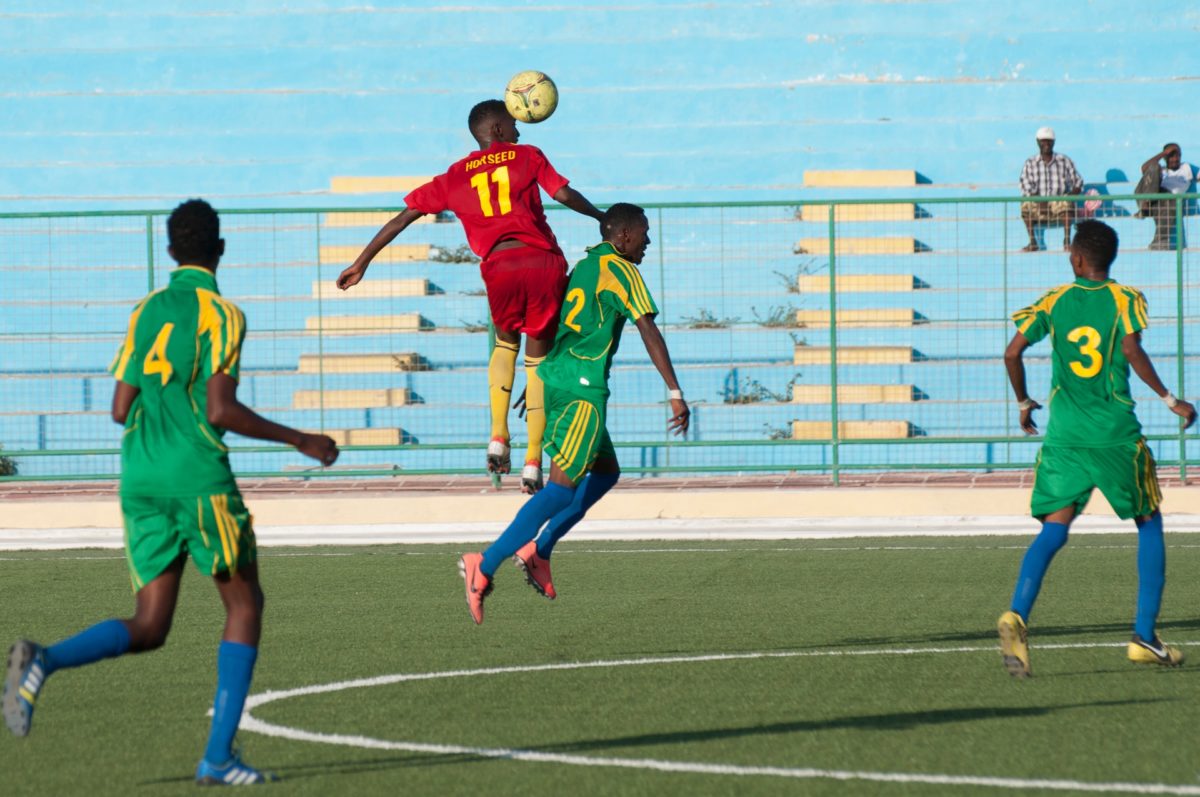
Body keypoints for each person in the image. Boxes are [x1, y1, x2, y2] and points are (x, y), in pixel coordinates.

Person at [2, 200, 339, 784]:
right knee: (244, 605)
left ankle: (45, 659)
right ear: (221, 249)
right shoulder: (222, 313)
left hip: (140, 477)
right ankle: (218, 758)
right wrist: (302, 438)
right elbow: (220, 408)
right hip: (195, 478)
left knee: (151, 625)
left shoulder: (147, 309)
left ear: (169, 250)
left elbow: (118, 407)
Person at [335, 99, 604, 493]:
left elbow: (402, 217)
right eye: (513, 123)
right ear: (496, 130)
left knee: (505, 344)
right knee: (539, 360)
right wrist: (600, 216)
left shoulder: (455, 175)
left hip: (498, 267)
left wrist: (362, 262)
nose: (519, 130)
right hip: (541, 261)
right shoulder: (527, 156)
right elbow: (562, 194)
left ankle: (498, 435)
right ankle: (533, 460)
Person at [457, 203, 690, 624]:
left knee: (605, 473)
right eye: (643, 233)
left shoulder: (583, 267)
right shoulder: (622, 271)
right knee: (562, 488)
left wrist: (539, 381)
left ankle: (538, 552)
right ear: (622, 236)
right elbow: (647, 328)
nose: (648, 241)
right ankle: (484, 564)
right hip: (583, 390)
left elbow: (560, 326)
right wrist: (674, 391)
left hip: (560, 378)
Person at [997, 219, 1195, 678]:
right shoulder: (1125, 299)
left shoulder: (1055, 300)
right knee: (1148, 521)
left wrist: (1025, 402)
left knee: (1055, 529)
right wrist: (1170, 399)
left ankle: (1018, 615)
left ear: (1076, 259)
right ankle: (1144, 637)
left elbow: (1011, 353)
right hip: (1114, 436)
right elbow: (1130, 349)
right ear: (1109, 259)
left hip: (1064, 436)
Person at [1019, 127, 1084, 252]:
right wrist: (1039, 200)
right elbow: (1025, 185)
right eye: (1043, 141)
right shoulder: (1030, 163)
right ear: (1037, 142)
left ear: (1054, 142)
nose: (1046, 144)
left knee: (1066, 201)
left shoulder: (1064, 160)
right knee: (1025, 203)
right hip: (1038, 204)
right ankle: (1033, 242)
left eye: (1049, 141)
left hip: (1058, 203)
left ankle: (1067, 241)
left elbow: (1078, 181)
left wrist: (1070, 195)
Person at [1135, 143, 1197, 250]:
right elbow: (1143, 169)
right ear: (1165, 157)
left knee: (1172, 201)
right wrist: (1164, 153)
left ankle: (1159, 241)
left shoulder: (1187, 168)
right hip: (1147, 195)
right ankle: (1145, 204)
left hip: (1167, 203)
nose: (1175, 159)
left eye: (1178, 155)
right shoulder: (1160, 169)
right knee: (1154, 166)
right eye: (1171, 156)